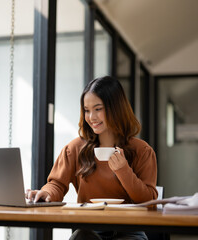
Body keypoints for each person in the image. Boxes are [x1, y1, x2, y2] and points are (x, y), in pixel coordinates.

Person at [26, 76, 157, 240]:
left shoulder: (142, 151)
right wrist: (46, 194)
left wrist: (123, 170)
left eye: (98, 109)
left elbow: (149, 201)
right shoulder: (74, 149)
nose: (91, 117)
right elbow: (56, 185)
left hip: (129, 230)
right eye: (87, 110)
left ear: (116, 108)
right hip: (89, 230)